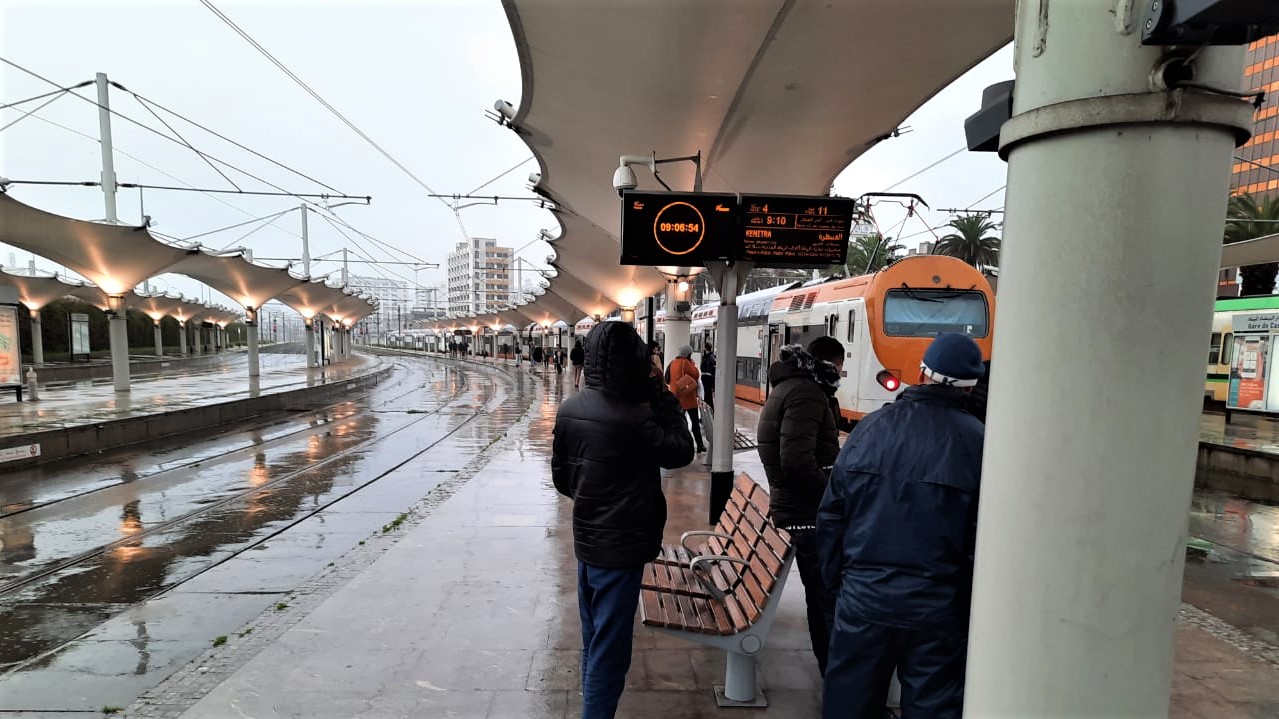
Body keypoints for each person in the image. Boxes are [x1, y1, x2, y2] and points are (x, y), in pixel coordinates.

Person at [816, 333, 986, 719]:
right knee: (933, 705)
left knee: (849, 703)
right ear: (971, 385)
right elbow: (979, 539)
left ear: (922, 374)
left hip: (864, 598)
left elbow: (831, 518)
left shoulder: (871, 429)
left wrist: (836, 588)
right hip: (937, 607)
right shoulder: (979, 444)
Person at [552, 321, 695, 719]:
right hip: (622, 546)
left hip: (587, 542)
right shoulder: (634, 418)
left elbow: (562, 480)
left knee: (593, 640)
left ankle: (590, 707)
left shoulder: (570, 410)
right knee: (611, 652)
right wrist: (662, 397)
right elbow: (682, 450)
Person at [755, 336, 845, 677]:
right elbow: (795, 461)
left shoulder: (792, 387)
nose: (840, 374)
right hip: (807, 513)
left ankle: (833, 671)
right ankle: (837, 677)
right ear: (828, 365)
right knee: (827, 599)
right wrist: (833, 496)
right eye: (839, 368)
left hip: (796, 508)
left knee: (820, 596)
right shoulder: (807, 393)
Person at [666, 345, 707, 454]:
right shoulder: (686, 362)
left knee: (678, 422)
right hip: (688, 397)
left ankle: (676, 445)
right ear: (688, 353)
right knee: (694, 423)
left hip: (677, 397)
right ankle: (699, 445)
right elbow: (696, 374)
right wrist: (693, 364)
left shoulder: (673, 362)